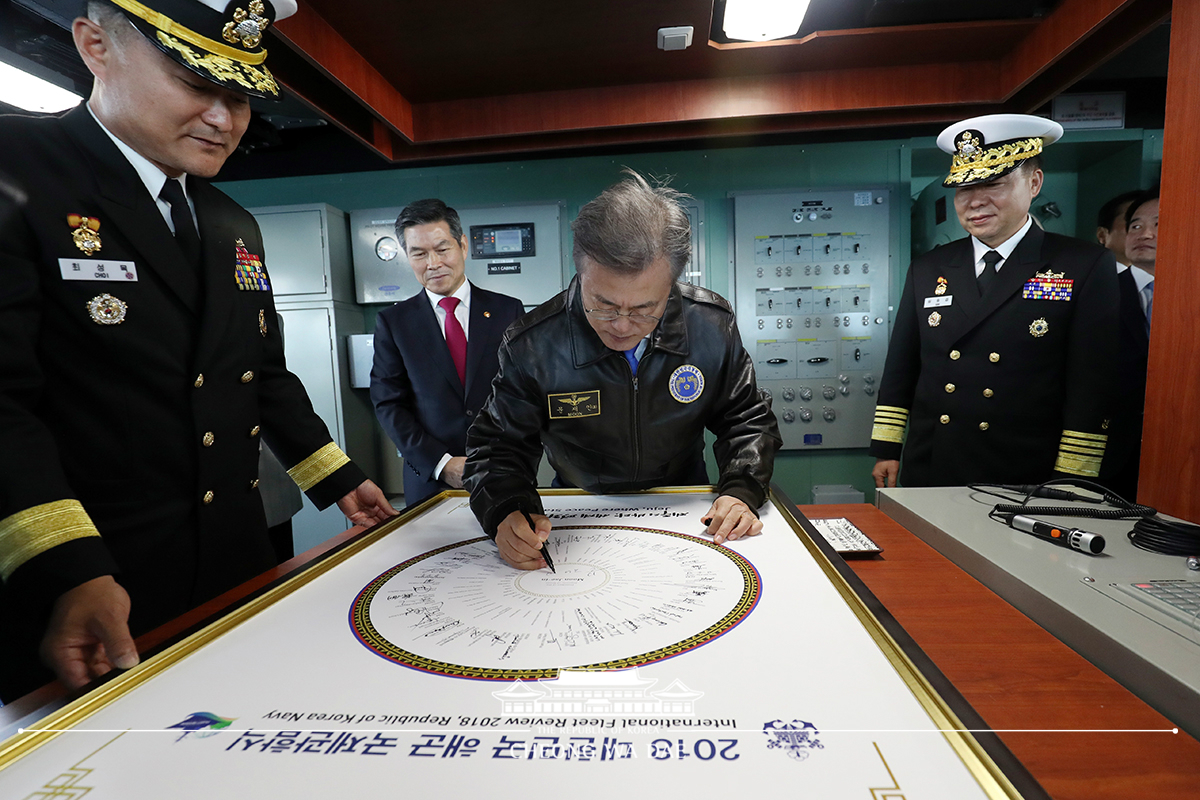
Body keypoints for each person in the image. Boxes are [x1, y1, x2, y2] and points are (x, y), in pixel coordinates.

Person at [0, 0, 394, 702]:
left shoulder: (229, 218)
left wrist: (338, 479)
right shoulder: (19, 170)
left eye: (238, 96)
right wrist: (70, 568)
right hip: (93, 582)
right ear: (95, 45)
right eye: (196, 84)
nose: (224, 119)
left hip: (235, 556)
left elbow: (259, 373)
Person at [464, 171, 781, 570]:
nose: (623, 325)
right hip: (578, 510)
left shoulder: (710, 325)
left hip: (686, 505)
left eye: (646, 308)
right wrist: (506, 509)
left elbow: (746, 419)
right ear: (580, 274)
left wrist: (740, 488)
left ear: (673, 285)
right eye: (604, 305)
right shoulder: (533, 344)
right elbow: (498, 446)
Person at [870, 114, 1118, 488]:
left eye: (994, 184)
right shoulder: (930, 266)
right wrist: (886, 447)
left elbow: (1092, 381)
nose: (975, 202)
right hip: (936, 459)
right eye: (963, 189)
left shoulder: (1082, 264)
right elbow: (902, 364)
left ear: (1034, 182)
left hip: (1027, 468)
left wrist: (1073, 475)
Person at [370, 199, 526, 507]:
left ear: (463, 246)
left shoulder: (508, 310)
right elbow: (389, 403)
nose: (433, 263)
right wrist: (441, 463)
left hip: (504, 471)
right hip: (431, 479)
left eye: (442, 249)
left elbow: (523, 390)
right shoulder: (394, 323)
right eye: (419, 253)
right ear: (407, 256)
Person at [1101, 190, 1157, 498]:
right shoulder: (1099, 293)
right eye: (1135, 225)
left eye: (1159, 224)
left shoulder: (1189, 298)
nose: (1144, 234)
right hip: (1112, 450)